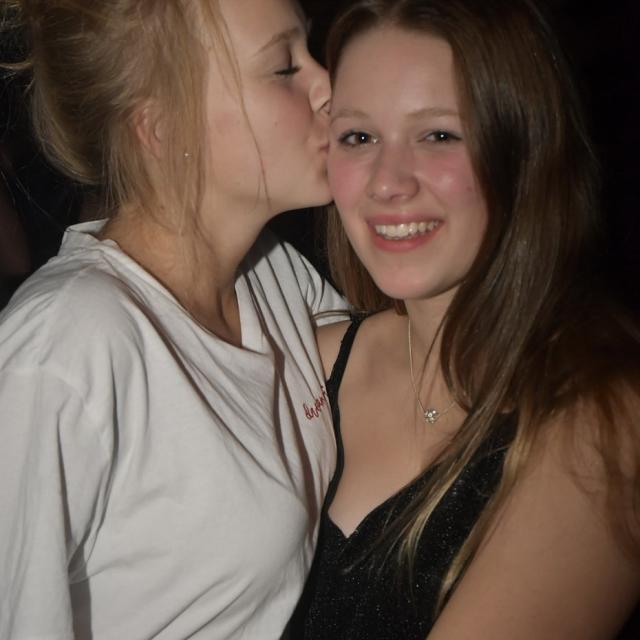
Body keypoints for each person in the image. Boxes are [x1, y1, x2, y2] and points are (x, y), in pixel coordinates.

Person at [0, 0, 348, 638]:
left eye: (311, 49)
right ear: (161, 129)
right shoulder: (65, 347)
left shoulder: (275, 276)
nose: (329, 84)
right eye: (283, 67)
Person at [294, 0, 640, 638]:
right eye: (359, 137)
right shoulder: (303, 364)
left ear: (524, 149)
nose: (388, 183)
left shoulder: (602, 421)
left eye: (439, 135)